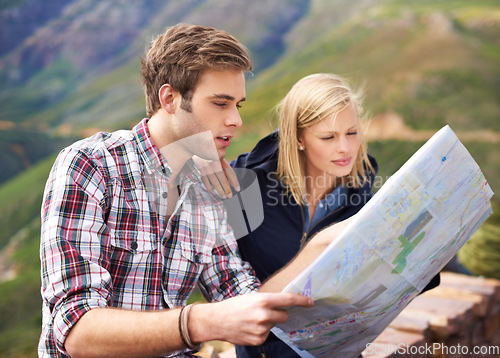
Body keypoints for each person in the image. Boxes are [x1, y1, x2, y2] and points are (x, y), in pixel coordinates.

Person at [39, 25, 348, 358]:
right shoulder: (91, 166)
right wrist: (198, 322)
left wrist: (320, 249)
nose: (235, 120)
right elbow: (76, 333)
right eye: (220, 103)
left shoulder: (208, 187)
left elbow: (240, 296)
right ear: (170, 99)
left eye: (238, 106)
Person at [231, 73, 441, 357]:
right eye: (329, 137)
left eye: (352, 133)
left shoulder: (366, 203)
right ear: (298, 138)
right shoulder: (245, 187)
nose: (345, 148)